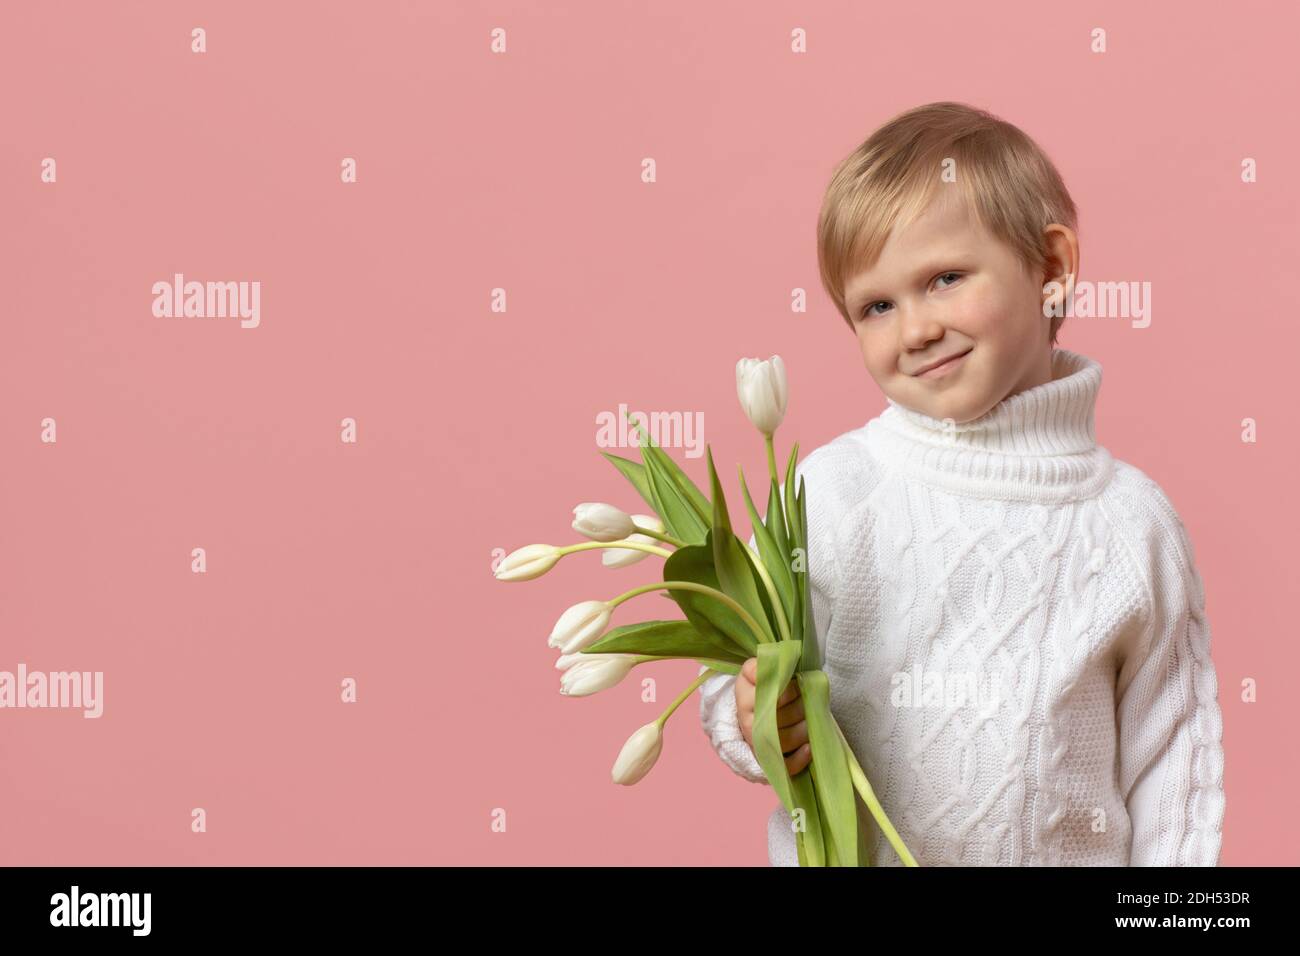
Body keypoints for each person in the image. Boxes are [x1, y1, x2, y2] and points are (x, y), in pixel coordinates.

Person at [699, 101, 1225, 867]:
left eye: (944, 279)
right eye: (877, 306)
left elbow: (1172, 768)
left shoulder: (1132, 525)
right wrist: (750, 720)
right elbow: (734, 667)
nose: (914, 330)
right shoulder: (833, 491)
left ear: (1051, 269)